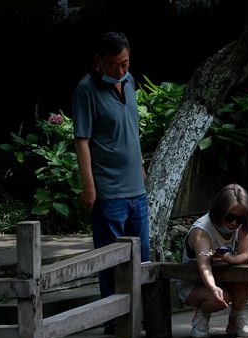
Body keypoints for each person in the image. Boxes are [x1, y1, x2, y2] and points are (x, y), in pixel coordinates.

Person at [72, 31, 150, 305]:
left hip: (136, 189)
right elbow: (82, 141)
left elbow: (131, 128)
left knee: (142, 256)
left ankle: (139, 313)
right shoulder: (86, 90)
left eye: (125, 63)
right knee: (110, 258)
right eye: (114, 64)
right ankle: (112, 319)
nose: (120, 70)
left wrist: (140, 165)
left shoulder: (128, 81)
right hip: (108, 191)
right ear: (99, 61)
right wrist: (89, 187)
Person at [176, 184, 248, 338]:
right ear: (220, 211)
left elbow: (245, 255)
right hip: (195, 283)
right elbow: (204, 266)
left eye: (240, 219)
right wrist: (213, 287)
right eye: (230, 217)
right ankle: (202, 315)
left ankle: (236, 318)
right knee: (220, 297)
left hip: (224, 276)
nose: (234, 223)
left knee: (246, 278)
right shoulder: (202, 231)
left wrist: (228, 258)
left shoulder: (241, 226)